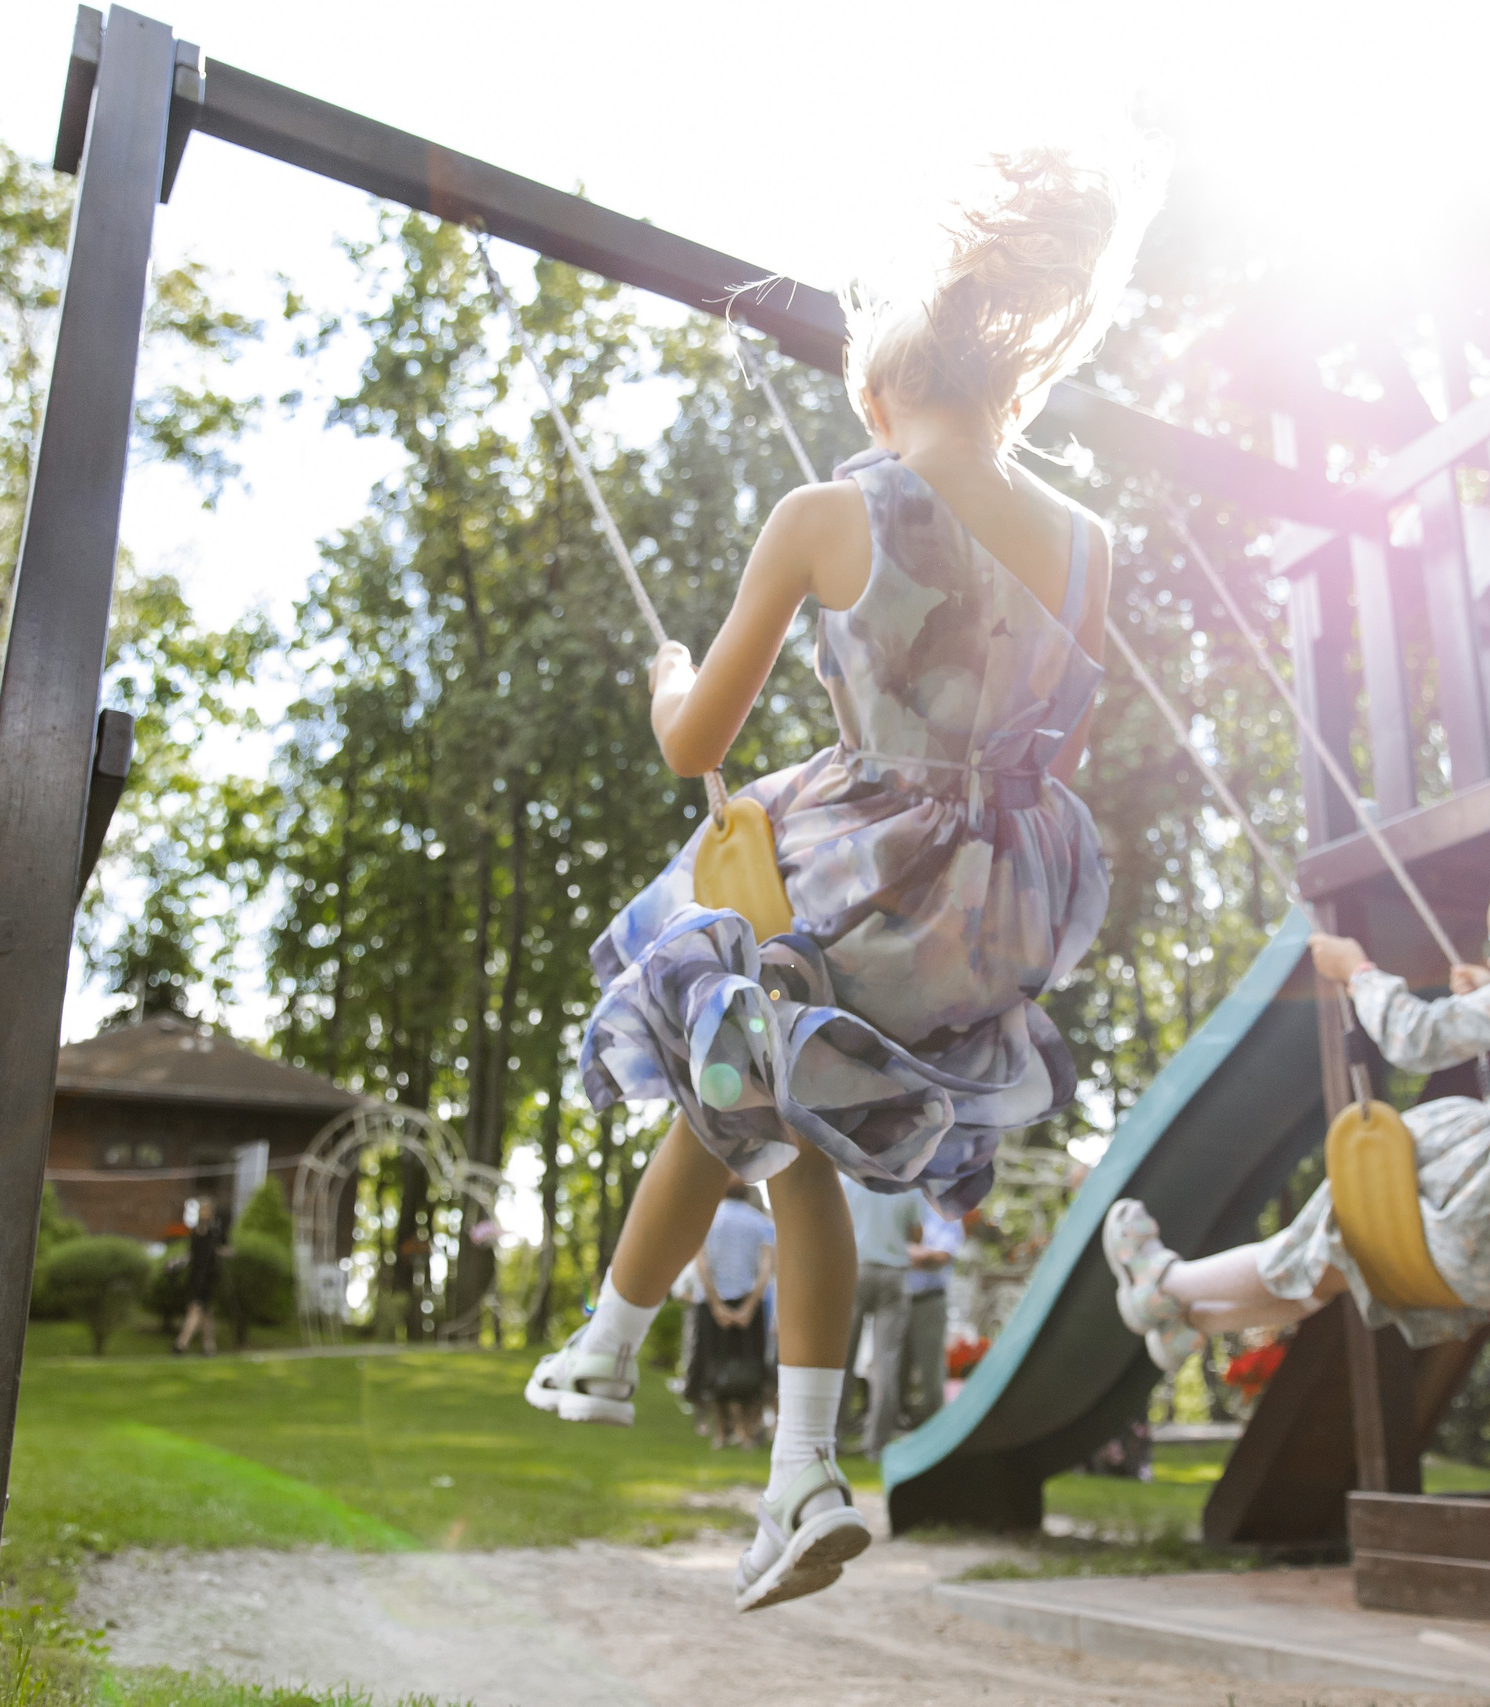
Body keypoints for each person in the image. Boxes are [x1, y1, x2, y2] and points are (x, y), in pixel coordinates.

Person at [522, 148, 1138, 1613]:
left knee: (723, 1021)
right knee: (771, 1100)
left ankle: (620, 1345)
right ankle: (784, 1463)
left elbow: (698, 740)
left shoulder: (826, 511)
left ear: (878, 393)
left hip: (866, 868)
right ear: (1013, 389)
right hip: (996, 907)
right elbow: (1033, 720)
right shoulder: (1093, 545)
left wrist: (671, 672)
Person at [1104, 829, 1490, 1363]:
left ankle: (1164, 1283)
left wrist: (1359, 973)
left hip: (1475, 1213)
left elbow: (1419, 1039)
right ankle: (1192, 1319)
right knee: (1332, 1270)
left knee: (1337, 1226)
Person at [690, 1184, 777, 1449]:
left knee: (715, 1366)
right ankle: (746, 1433)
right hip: (749, 1304)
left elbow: (702, 1265)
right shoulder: (761, 1224)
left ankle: (719, 1432)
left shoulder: (707, 1220)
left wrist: (716, 1305)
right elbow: (765, 1269)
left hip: (712, 1303)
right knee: (751, 1367)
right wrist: (749, 1307)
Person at [840, 1174, 922, 1456]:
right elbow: (916, 1236)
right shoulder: (908, 1187)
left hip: (856, 1269)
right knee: (886, 1362)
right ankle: (876, 1444)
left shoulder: (848, 1182)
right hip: (894, 1273)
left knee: (843, 1356)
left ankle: (834, 1436)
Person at [902, 1210, 963, 1429]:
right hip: (897, 1301)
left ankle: (936, 1428)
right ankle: (897, 1425)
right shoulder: (902, 1203)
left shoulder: (946, 1215)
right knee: (893, 1368)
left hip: (929, 1300)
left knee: (931, 1371)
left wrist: (900, 1253)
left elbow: (939, 1258)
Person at [174, 1195, 229, 1356]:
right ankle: (209, 1347)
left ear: (210, 1213)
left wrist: (222, 1252)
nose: (203, 1214)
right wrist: (177, 1262)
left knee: (195, 1308)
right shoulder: (196, 1233)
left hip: (209, 1276)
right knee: (205, 1313)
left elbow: (227, 1249)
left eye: (206, 1211)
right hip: (195, 1275)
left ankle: (181, 1344)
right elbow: (190, 1254)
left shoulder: (216, 1232)